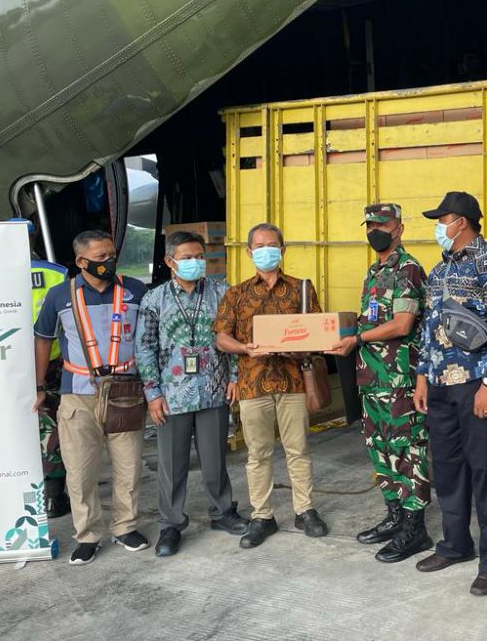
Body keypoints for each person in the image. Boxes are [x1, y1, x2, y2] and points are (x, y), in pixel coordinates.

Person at [413, 192, 487, 597]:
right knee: (448, 469)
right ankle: (455, 545)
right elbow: (428, 328)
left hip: (476, 384)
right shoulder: (440, 269)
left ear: (462, 221)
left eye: (442, 219)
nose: (439, 226)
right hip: (439, 384)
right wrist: (423, 375)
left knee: (485, 472)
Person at [32, 230, 149, 566]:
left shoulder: (134, 290)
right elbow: (42, 340)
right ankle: (87, 535)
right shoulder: (59, 296)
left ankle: (125, 527)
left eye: (111, 255)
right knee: (80, 472)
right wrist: (39, 385)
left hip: (126, 392)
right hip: (78, 395)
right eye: (100, 258)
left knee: (128, 466)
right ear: (81, 262)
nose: (108, 263)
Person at [135, 231, 250, 557]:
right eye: (187, 258)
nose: (195, 263)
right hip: (172, 396)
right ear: (170, 261)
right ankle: (171, 524)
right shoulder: (154, 300)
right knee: (172, 464)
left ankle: (222, 512)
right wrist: (152, 394)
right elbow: (145, 349)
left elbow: (235, 338)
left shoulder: (221, 292)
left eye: (199, 256)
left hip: (213, 391)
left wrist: (236, 377)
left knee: (215, 459)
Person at [213, 223, 328, 548]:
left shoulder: (301, 290)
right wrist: (245, 348)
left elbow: (317, 330)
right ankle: (263, 516)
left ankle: (305, 510)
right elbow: (222, 337)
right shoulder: (236, 293)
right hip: (252, 385)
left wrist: (300, 345)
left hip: (293, 382)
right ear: (250, 252)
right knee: (258, 454)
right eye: (259, 246)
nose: (266, 251)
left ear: (283, 250)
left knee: (298, 450)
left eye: (272, 245)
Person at [329, 203, 432, 563]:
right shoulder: (374, 271)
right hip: (373, 380)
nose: (375, 230)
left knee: (407, 452)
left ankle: (416, 528)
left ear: (399, 228)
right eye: (370, 224)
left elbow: (403, 325)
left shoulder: (407, 269)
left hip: (399, 380)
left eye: (382, 224)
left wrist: (357, 338)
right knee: (381, 450)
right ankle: (395, 516)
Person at [11, 217, 70, 518]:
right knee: (53, 432)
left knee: (18, 430)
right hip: (51, 366)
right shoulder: (55, 273)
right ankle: (54, 497)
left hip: (7, 365)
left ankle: (27, 493)